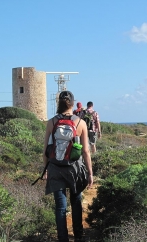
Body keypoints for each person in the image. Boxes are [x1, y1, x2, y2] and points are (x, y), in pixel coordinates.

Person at [43, 91, 93, 242]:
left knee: (60, 207)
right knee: (76, 202)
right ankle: (78, 236)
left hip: (55, 168)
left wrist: (45, 170)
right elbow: (85, 151)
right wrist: (90, 173)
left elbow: (45, 149)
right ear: (72, 103)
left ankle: (62, 239)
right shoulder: (80, 123)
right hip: (75, 169)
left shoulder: (51, 122)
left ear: (59, 102)